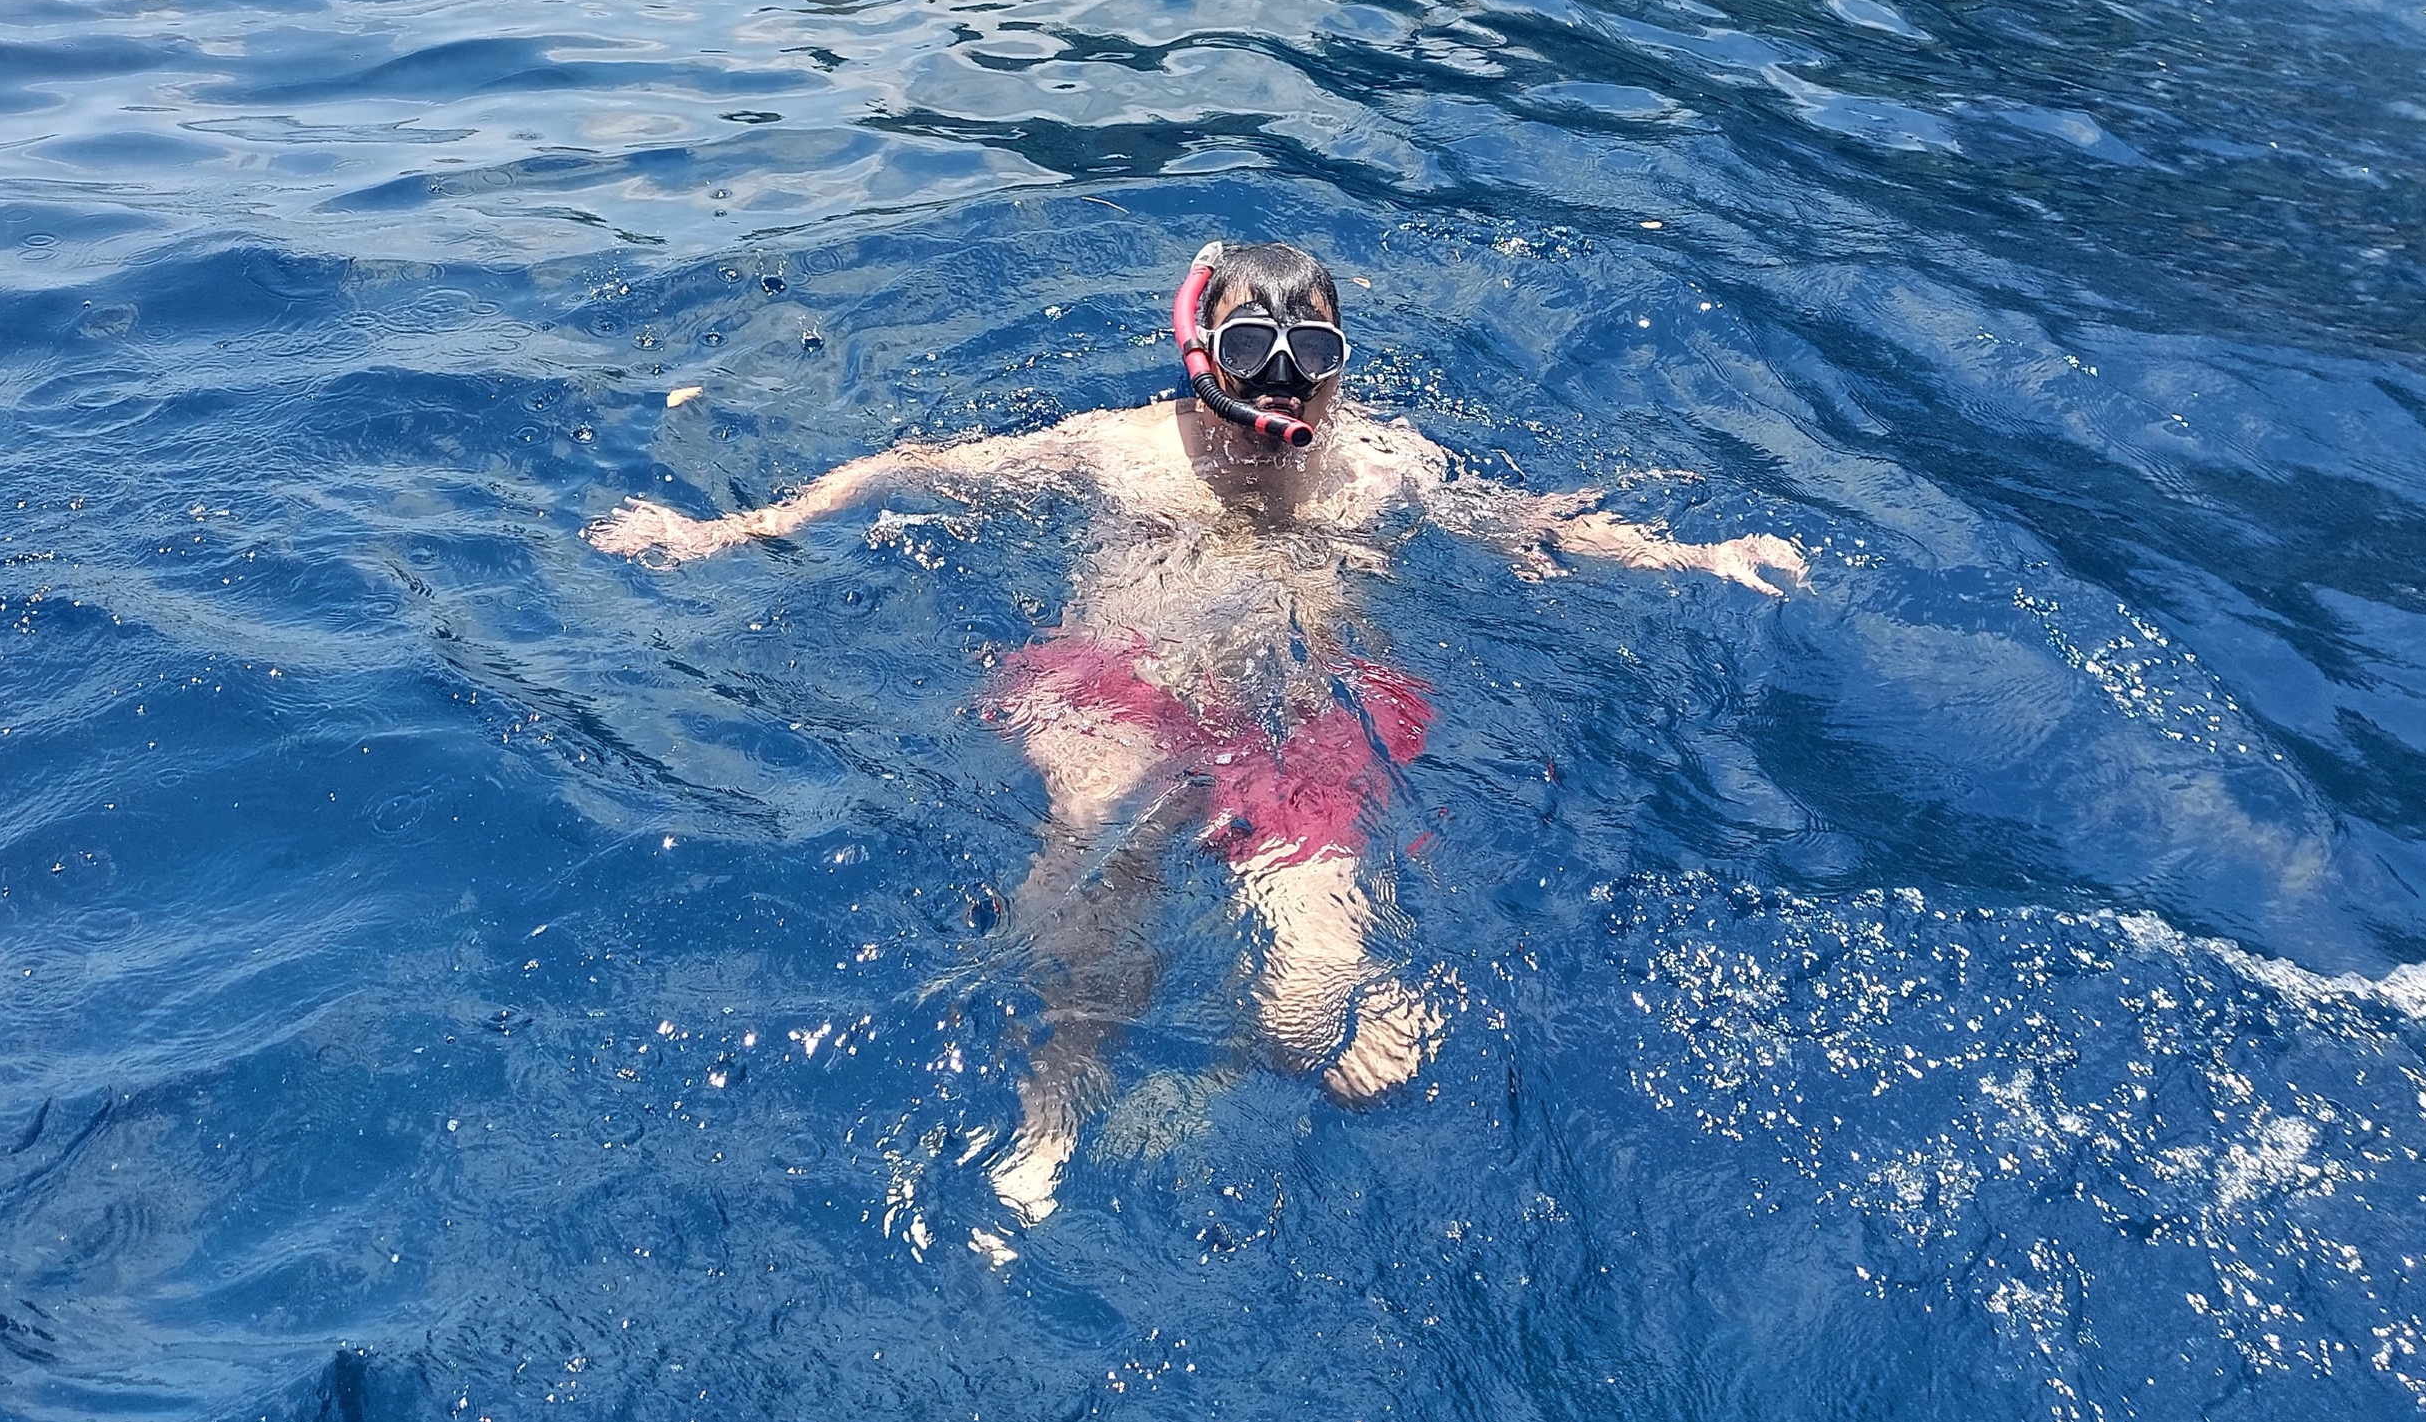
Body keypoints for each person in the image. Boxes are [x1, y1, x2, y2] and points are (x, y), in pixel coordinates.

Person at [590, 238, 1805, 1224]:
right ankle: (1057, 1100)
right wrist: (721, 535)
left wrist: (1695, 551)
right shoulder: (1115, 449)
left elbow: (1532, 523)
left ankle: (1295, 1019)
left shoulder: (1380, 463)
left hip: (1301, 722)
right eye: (1252, 351)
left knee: (1303, 1022)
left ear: (1341, 365)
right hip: (1119, 689)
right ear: (1198, 351)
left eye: (1312, 354)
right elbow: (902, 466)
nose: (1284, 386)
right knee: (1092, 864)